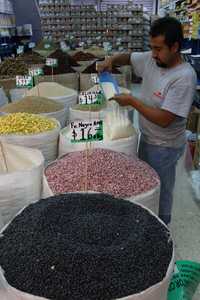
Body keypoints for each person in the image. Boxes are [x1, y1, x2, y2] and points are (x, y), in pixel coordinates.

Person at [97, 16, 197, 225]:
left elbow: (165, 120)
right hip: (148, 137)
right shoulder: (154, 59)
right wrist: (112, 60)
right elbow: (129, 57)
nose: (153, 54)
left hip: (165, 146)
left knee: (160, 189)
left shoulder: (184, 77)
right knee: (145, 184)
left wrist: (132, 101)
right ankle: (146, 220)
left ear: (175, 47)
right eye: (151, 48)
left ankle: (161, 226)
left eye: (158, 49)